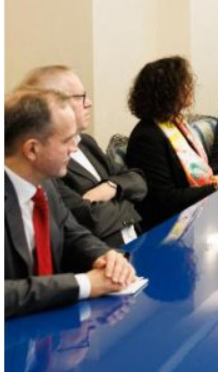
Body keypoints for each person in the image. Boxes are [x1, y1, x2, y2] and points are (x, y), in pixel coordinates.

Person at [5, 89, 136, 318]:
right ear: (32, 149)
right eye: (66, 140)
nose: (75, 148)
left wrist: (105, 257)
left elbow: (71, 233)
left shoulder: (45, 184)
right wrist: (84, 284)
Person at [19, 66, 146, 247]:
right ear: (52, 103)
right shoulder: (47, 161)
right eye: (81, 97)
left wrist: (112, 187)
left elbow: (139, 180)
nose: (89, 103)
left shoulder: (86, 142)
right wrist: (126, 200)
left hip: (138, 237)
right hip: (106, 250)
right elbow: (89, 220)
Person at [126, 56, 218, 230]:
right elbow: (166, 200)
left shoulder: (176, 124)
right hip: (163, 228)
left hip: (190, 213)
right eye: (184, 85)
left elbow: (194, 177)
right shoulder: (147, 137)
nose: (190, 89)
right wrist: (215, 186)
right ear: (168, 91)